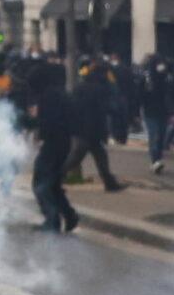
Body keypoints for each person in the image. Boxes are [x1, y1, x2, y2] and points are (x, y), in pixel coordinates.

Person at [23, 59, 82, 233]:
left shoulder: (49, 97)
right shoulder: (57, 93)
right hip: (62, 142)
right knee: (53, 183)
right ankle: (69, 216)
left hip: (54, 143)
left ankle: (52, 219)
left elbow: (49, 122)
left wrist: (31, 122)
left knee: (41, 183)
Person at [69, 59, 123, 192]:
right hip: (94, 128)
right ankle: (52, 179)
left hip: (82, 128)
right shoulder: (102, 88)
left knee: (99, 157)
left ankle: (110, 184)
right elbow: (112, 107)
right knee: (76, 158)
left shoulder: (81, 86)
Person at [139, 54, 173, 173]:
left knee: (161, 138)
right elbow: (141, 94)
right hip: (150, 112)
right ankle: (155, 161)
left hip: (163, 112)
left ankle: (158, 159)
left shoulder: (166, 78)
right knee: (154, 136)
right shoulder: (147, 78)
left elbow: (170, 95)